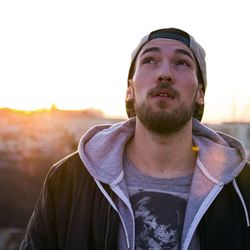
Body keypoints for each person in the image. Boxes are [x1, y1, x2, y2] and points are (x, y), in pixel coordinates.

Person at [20, 28, 250, 250]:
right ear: (130, 89)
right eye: (150, 60)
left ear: (200, 93)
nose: (165, 74)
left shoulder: (244, 187)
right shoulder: (68, 180)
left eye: (182, 63)